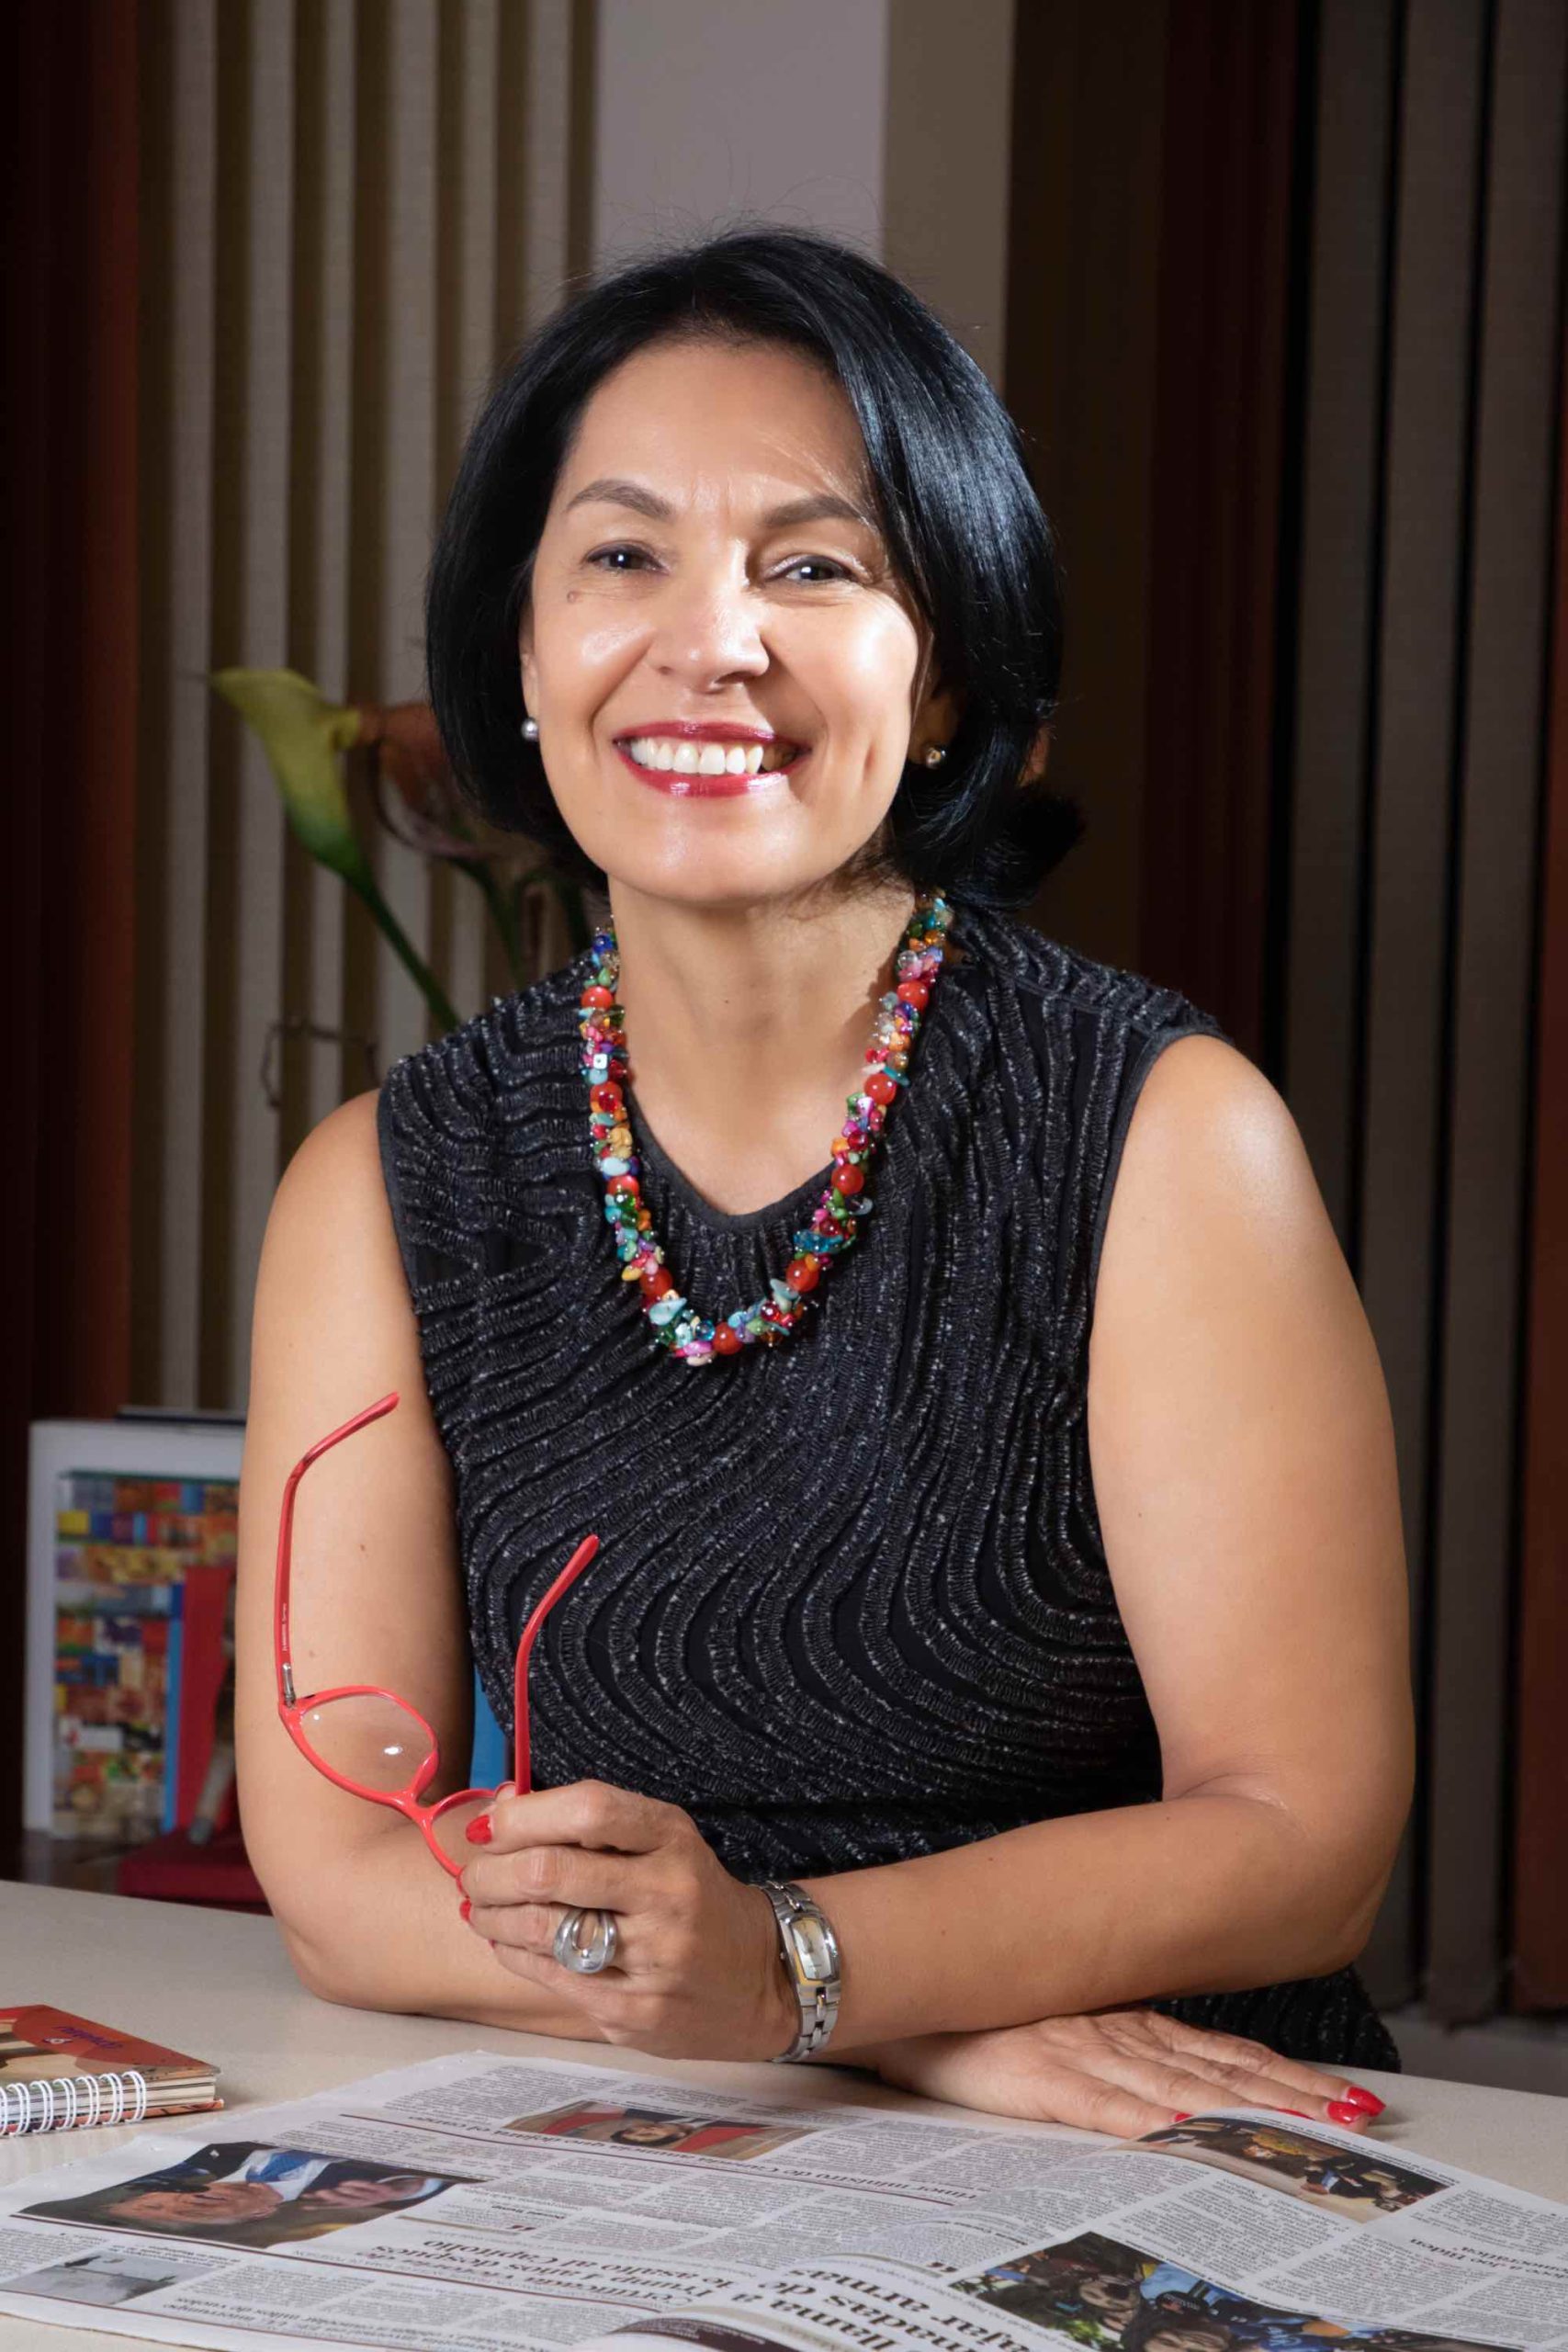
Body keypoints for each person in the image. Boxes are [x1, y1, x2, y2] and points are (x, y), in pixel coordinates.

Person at [235, 225, 1413, 2142]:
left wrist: (795, 1970)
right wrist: (842, 2012)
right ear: (521, 652)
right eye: (622, 557)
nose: (710, 640)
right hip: (696, 2133)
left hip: (1158, 2138)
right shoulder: (382, 1186)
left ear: (945, 677)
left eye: (814, 566)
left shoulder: (1163, 1134)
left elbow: (1302, 1835)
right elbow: (348, 1877)